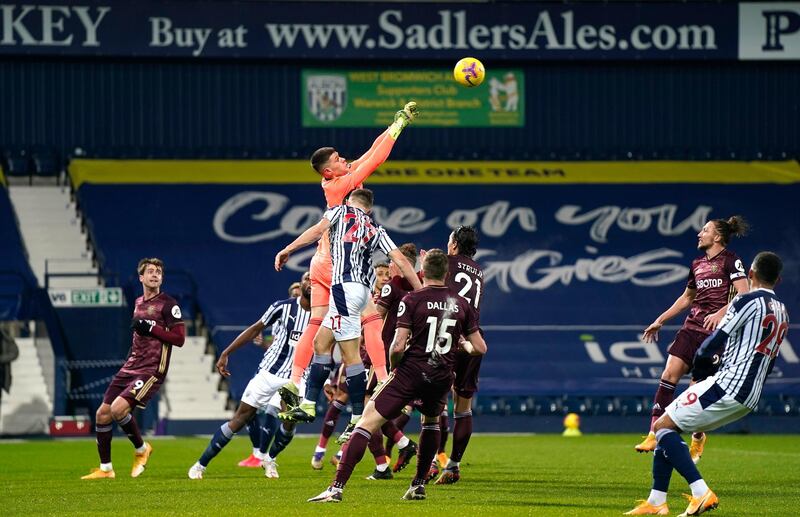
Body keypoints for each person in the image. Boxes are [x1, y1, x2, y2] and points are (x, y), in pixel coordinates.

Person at [307, 249, 487, 503]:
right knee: (432, 423)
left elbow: (398, 345)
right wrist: (461, 346)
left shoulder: (412, 300)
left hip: (411, 371)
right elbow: (479, 347)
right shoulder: (462, 304)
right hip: (441, 374)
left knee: (366, 423)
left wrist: (394, 368)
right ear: (447, 274)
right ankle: (418, 485)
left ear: (423, 272)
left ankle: (336, 488)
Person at [278, 101, 419, 409]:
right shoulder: (343, 185)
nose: (345, 159)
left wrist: (396, 121)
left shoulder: (335, 179)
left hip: (319, 261)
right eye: (339, 159)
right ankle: (381, 378)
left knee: (316, 322)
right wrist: (400, 127)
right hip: (338, 264)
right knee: (370, 317)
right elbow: (375, 160)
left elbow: (369, 152)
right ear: (330, 170)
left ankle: (295, 379)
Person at [625, 251, 788, 516]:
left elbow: (713, 341)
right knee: (670, 425)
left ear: (751, 275)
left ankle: (701, 492)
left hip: (727, 385)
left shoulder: (745, 299)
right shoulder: (782, 311)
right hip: (751, 395)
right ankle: (656, 502)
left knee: (662, 427)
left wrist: (699, 373)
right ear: (778, 280)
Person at [274, 189, 422, 442]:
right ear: (370, 209)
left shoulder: (339, 211)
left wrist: (288, 248)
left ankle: (356, 418)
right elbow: (401, 260)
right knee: (321, 341)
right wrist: (422, 292)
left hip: (344, 289)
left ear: (349, 202)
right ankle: (309, 402)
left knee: (350, 355)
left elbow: (316, 231)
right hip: (362, 292)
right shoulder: (376, 228)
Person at [636, 216, 749, 463]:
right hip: (692, 327)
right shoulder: (696, 263)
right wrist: (661, 319)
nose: (699, 233)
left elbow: (745, 293)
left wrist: (720, 313)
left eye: (705, 230)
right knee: (668, 375)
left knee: (694, 392)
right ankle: (653, 432)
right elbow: (687, 298)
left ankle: (698, 437)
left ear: (717, 236)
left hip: (716, 335)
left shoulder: (731, 260)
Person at [188, 272, 312, 479]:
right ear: (301, 283)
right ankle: (200, 465)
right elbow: (255, 329)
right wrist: (226, 353)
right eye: (306, 278)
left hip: (296, 377)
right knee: (240, 418)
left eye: (313, 278)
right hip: (268, 373)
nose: (310, 281)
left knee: (290, 422)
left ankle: (270, 460)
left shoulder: (323, 313)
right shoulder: (282, 307)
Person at [81, 258, 185, 479]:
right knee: (102, 414)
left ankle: (141, 449)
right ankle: (106, 469)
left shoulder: (169, 304)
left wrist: (152, 327)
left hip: (151, 369)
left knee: (118, 409)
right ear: (141, 277)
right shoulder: (138, 302)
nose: (155, 274)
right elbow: (139, 335)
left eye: (158, 271)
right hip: (131, 365)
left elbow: (179, 339)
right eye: (150, 271)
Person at [435, 225, 485, 484]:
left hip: (448, 334)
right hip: (474, 336)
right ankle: (452, 465)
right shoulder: (478, 271)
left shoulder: (445, 263)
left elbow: (432, 291)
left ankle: (431, 460)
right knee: (463, 406)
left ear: (453, 245)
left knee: (434, 401)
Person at [238, 278, 305, 467]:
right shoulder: (282, 315)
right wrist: (263, 344)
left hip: (293, 375)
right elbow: (276, 346)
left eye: (298, 289)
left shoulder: (310, 316)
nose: (296, 292)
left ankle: (263, 455)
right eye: (293, 290)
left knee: (273, 411)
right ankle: (257, 453)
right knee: (249, 411)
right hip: (272, 369)